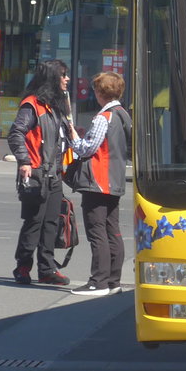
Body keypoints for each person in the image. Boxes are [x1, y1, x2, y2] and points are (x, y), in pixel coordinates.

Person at [65, 72, 132, 296]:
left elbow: (88, 148)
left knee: (97, 231)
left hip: (98, 179)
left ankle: (98, 282)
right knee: (112, 230)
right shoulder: (123, 115)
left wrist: (73, 138)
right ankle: (114, 281)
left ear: (100, 92)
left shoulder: (105, 117)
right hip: (114, 179)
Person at [6, 59, 72, 286]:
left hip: (54, 174)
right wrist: (24, 161)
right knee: (34, 222)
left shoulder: (55, 106)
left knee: (52, 223)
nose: (67, 79)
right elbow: (16, 134)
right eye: (63, 75)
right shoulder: (32, 105)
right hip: (35, 173)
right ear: (52, 78)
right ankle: (23, 267)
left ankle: (47, 269)